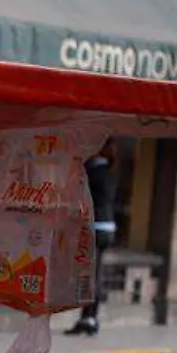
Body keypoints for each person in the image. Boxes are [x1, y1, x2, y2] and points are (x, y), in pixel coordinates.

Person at [66, 143, 118, 337]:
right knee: (95, 274)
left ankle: (88, 318)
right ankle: (89, 317)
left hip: (94, 229)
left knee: (90, 277)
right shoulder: (109, 173)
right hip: (107, 228)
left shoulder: (92, 173)